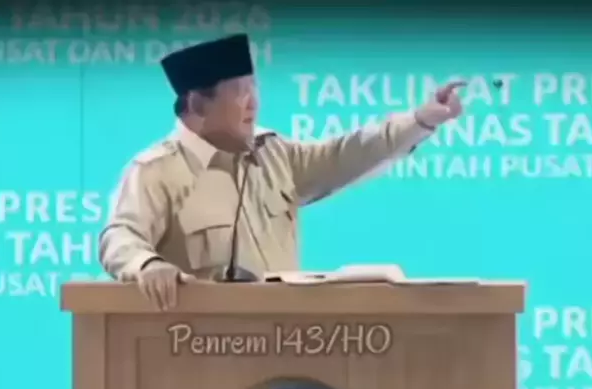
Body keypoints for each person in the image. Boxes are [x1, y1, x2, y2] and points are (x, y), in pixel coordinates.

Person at [99, 33, 465, 310]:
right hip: (196, 349)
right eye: (239, 92)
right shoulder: (157, 171)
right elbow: (120, 237)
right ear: (197, 104)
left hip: (280, 343)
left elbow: (346, 154)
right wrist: (148, 265)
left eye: (254, 87)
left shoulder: (273, 154)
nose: (253, 103)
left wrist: (420, 120)